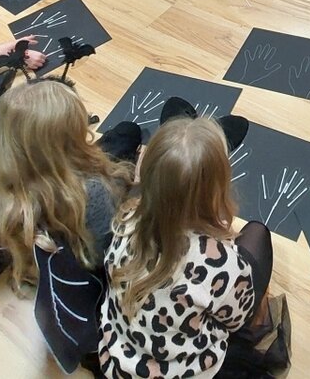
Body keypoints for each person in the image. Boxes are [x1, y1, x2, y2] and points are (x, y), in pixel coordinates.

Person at [98, 116, 273, 379]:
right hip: (179, 370)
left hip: (120, 359)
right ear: (217, 191)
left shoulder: (126, 220)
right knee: (258, 233)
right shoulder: (219, 262)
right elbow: (237, 319)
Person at [0, 80, 141, 294]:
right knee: (128, 132)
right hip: (89, 280)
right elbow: (106, 252)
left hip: (47, 273)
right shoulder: (94, 190)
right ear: (70, 137)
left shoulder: (2, 186)